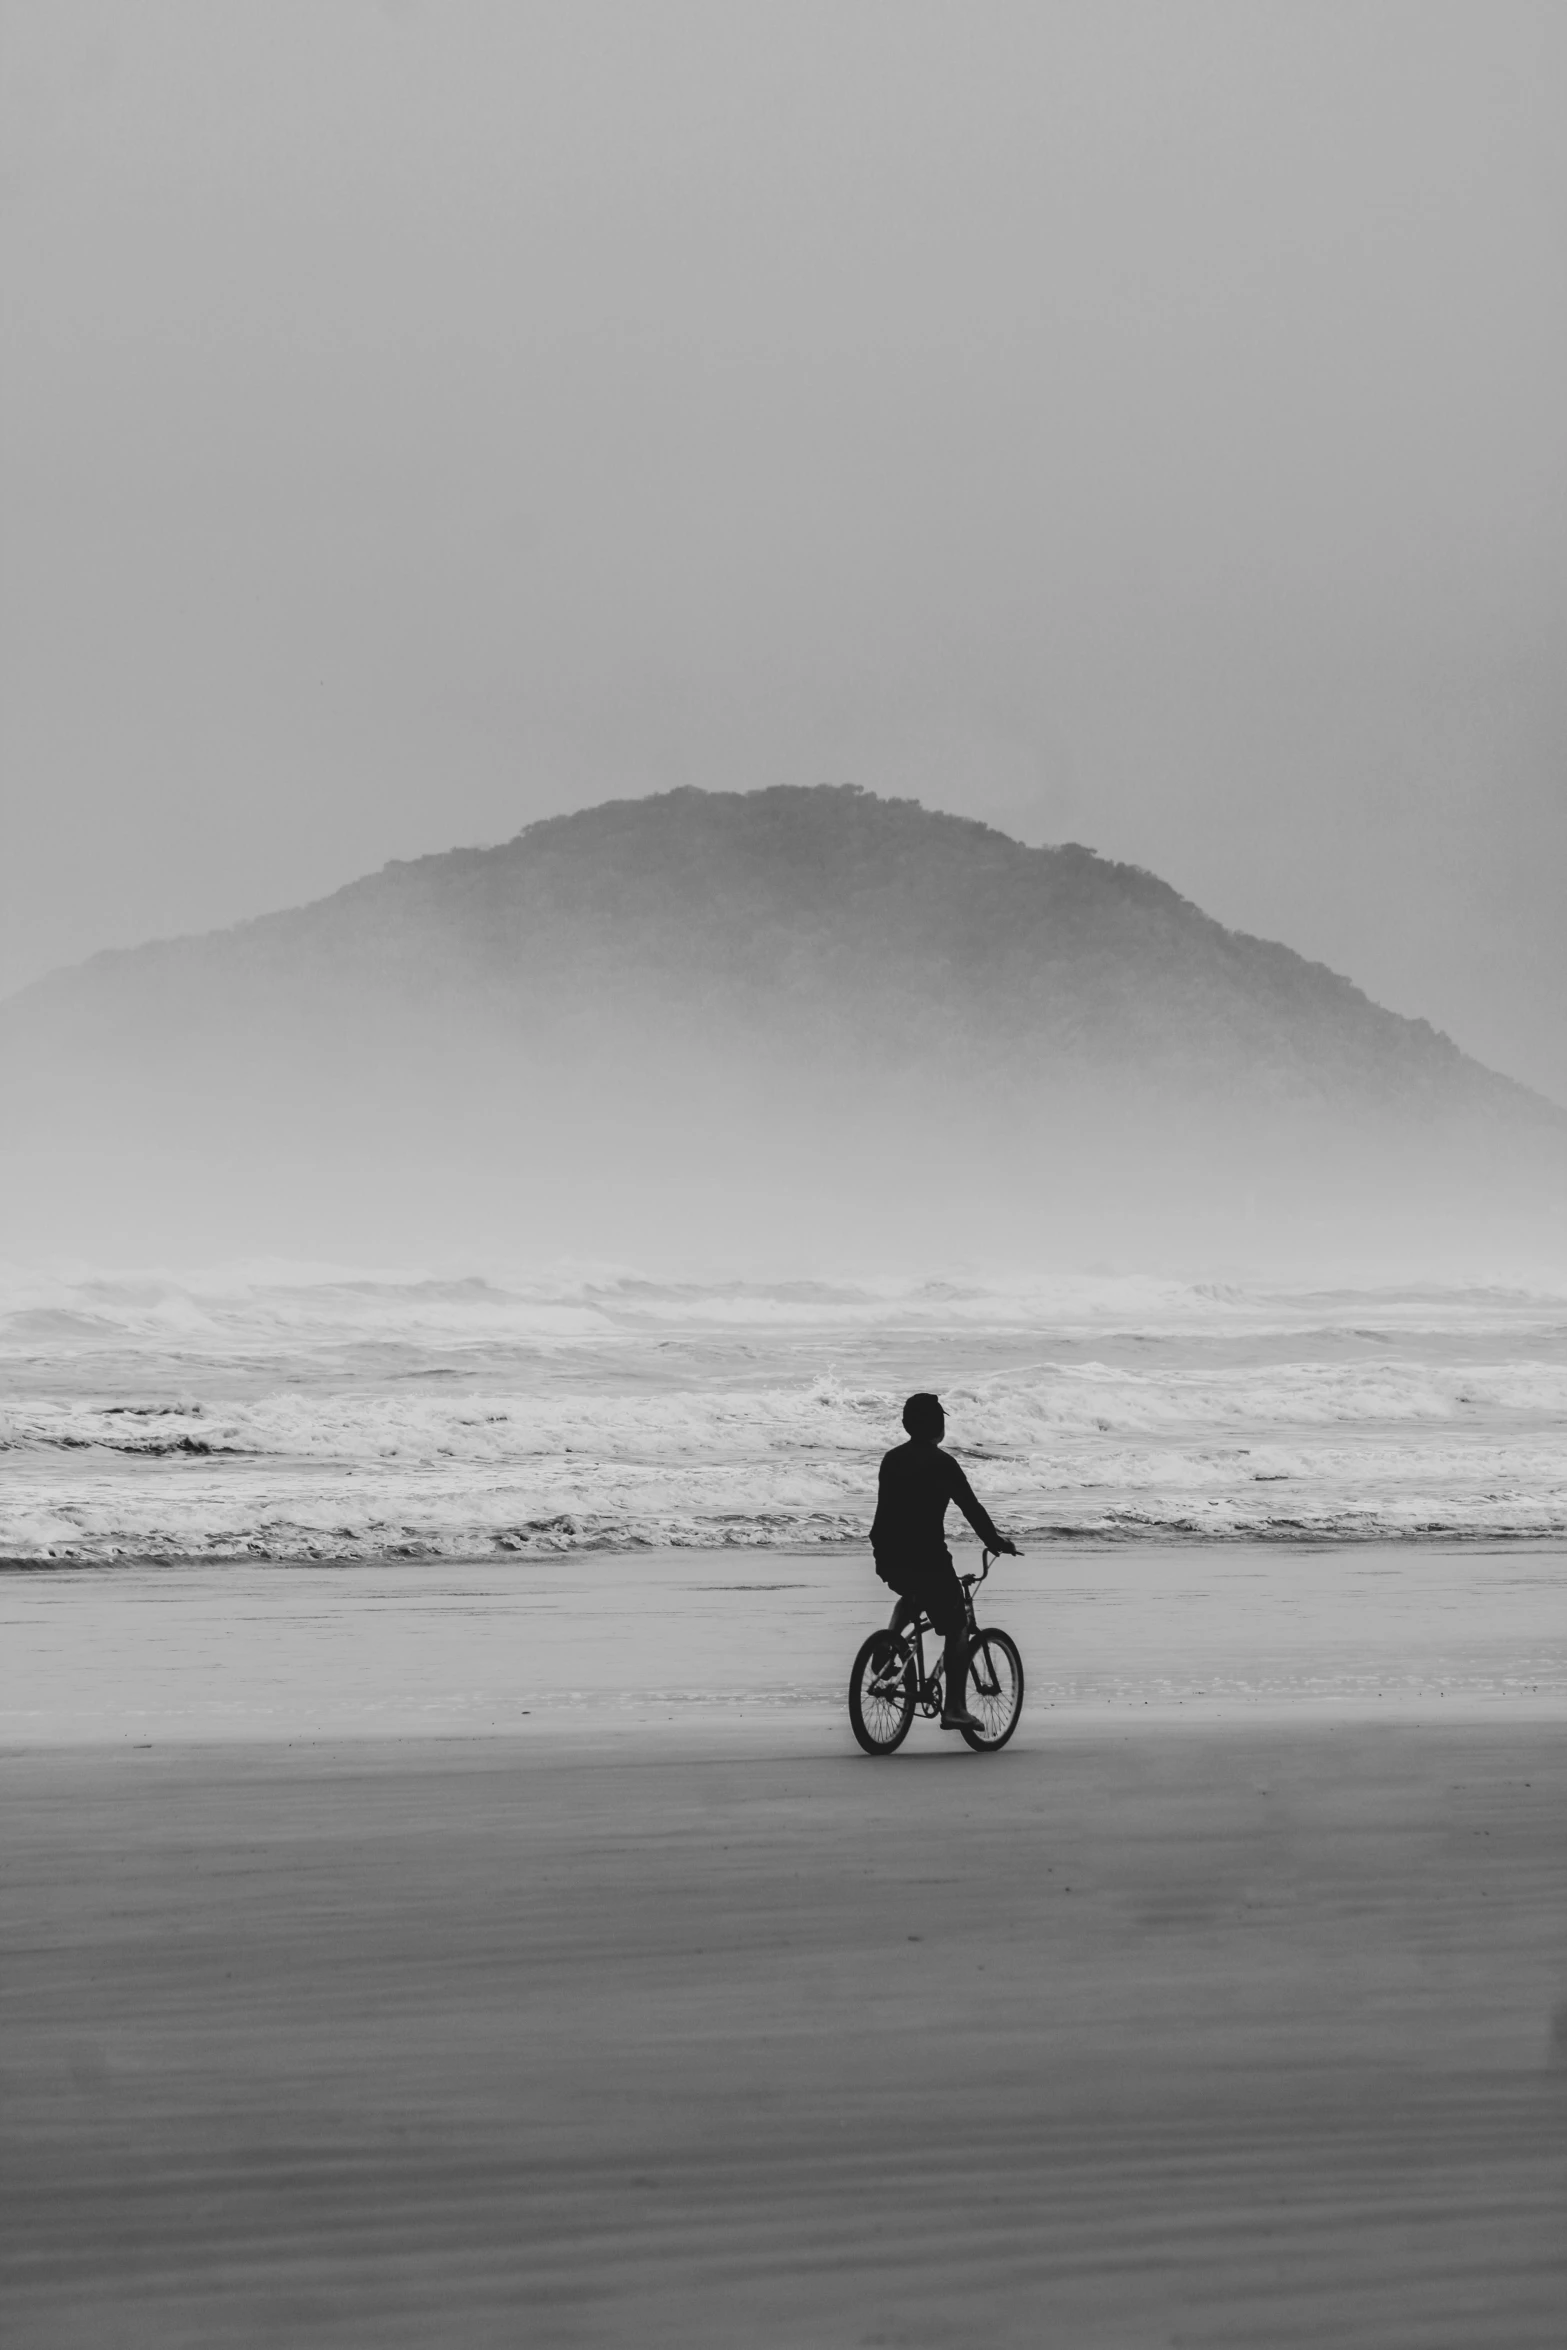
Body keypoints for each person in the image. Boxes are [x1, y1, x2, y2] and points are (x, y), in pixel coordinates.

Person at [870, 1392, 1018, 1731]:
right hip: (927, 1557)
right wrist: (997, 1542)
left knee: (911, 1594)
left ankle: (888, 1643)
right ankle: (954, 1708)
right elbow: (973, 1510)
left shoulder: (891, 1459)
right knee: (957, 1628)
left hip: (887, 1553)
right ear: (939, 1426)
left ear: (907, 1424)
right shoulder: (943, 1464)